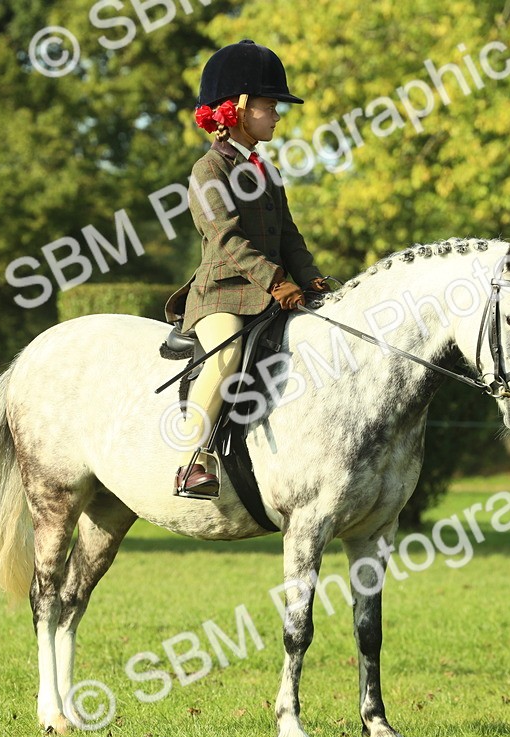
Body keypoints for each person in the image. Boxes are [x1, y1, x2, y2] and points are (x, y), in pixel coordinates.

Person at [164, 39, 329, 498]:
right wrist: (277, 281)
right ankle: (191, 461)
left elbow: (289, 236)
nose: (276, 115)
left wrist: (312, 277)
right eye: (269, 106)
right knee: (226, 356)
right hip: (223, 294)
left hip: (274, 292)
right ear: (236, 109)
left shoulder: (267, 171)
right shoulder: (208, 169)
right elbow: (226, 237)